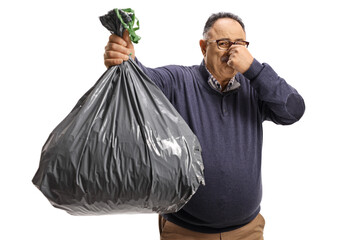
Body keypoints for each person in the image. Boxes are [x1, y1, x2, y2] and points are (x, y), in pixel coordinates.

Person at [104, 12, 305, 240]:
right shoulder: (179, 81)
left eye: (239, 45)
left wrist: (255, 70)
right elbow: (139, 83)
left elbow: (293, 111)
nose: (232, 52)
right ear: (203, 47)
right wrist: (126, 60)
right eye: (223, 44)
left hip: (247, 231)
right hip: (184, 232)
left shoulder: (254, 87)